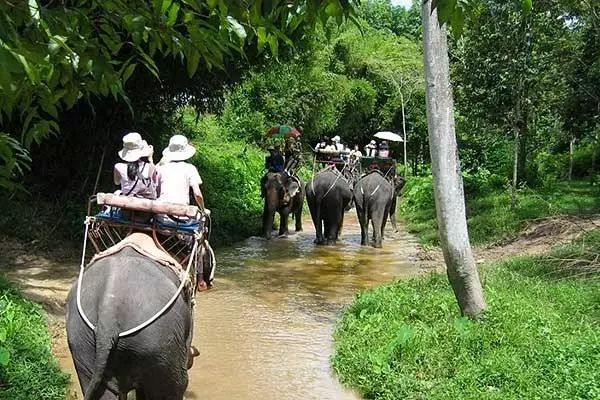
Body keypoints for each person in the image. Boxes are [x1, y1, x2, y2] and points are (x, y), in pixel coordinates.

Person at [157, 135, 204, 210]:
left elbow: (156, 189)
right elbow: (197, 194)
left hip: (160, 215)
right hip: (181, 215)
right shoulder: (190, 168)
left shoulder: (160, 168)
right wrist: (203, 209)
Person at [114, 132, 158, 199]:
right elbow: (154, 184)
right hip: (144, 205)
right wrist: (150, 159)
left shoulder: (118, 166)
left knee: (117, 192)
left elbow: (117, 182)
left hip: (125, 204)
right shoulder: (150, 167)